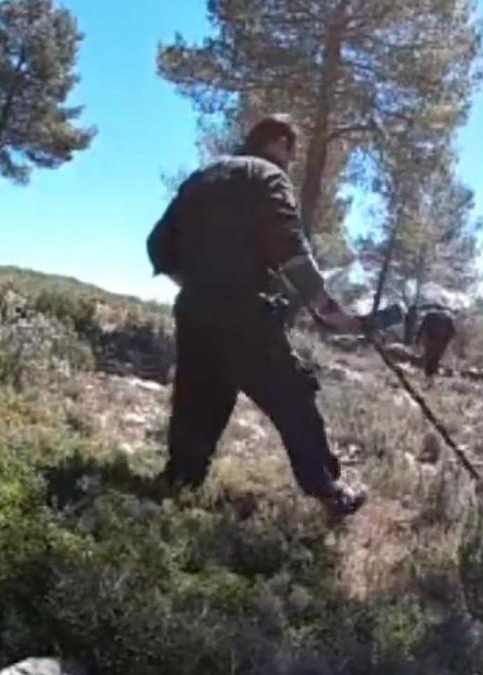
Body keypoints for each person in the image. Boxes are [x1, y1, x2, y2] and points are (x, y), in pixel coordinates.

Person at [145, 114, 367, 518]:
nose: (291, 162)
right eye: (292, 153)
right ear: (281, 143)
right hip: (245, 311)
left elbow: (157, 244)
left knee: (198, 400)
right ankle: (329, 490)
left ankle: (178, 484)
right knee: (292, 397)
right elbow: (289, 245)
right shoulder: (267, 175)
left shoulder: (202, 177)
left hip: (194, 309)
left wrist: (197, 285)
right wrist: (324, 306)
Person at [406, 301, 457, 378]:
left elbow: (422, 328)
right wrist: (446, 341)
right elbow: (452, 332)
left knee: (429, 357)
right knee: (436, 357)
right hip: (441, 342)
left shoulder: (429, 315)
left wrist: (417, 338)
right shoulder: (448, 317)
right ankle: (432, 375)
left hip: (430, 341)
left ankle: (429, 376)